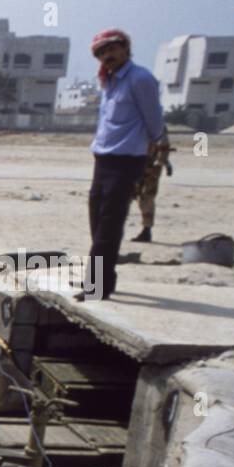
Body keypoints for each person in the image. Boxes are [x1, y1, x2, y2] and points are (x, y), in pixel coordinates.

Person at [75, 28, 166, 302]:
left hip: (126, 161)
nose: (107, 56)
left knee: (109, 224)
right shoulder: (110, 81)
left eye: (111, 49)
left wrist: (154, 147)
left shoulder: (140, 79)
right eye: (101, 53)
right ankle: (103, 278)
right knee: (97, 220)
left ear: (125, 48)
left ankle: (96, 285)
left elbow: (154, 120)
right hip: (103, 160)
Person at [132, 136, 174, 243]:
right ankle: (146, 230)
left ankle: (147, 230)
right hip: (138, 166)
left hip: (151, 171)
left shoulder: (158, 128)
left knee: (146, 199)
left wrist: (162, 163)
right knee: (138, 197)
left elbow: (163, 147)